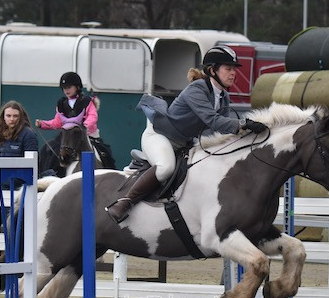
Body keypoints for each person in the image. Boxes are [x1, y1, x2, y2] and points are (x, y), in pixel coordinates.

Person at [105, 45, 267, 223]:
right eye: (228, 69)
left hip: (184, 142)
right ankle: (124, 203)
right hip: (160, 136)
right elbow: (213, 120)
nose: (233, 73)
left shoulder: (222, 97)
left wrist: (247, 134)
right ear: (213, 70)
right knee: (166, 168)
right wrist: (245, 123)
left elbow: (221, 130)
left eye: (234, 69)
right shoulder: (197, 89)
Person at [35, 71, 115, 172]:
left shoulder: (87, 101)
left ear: (77, 87)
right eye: (64, 88)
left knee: (105, 152)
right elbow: (57, 122)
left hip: (88, 134)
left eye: (69, 87)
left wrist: (85, 127)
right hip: (68, 136)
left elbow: (92, 117)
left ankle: (109, 173)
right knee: (51, 149)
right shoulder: (62, 103)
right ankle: (53, 173)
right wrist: (42, 124)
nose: (66, 90)